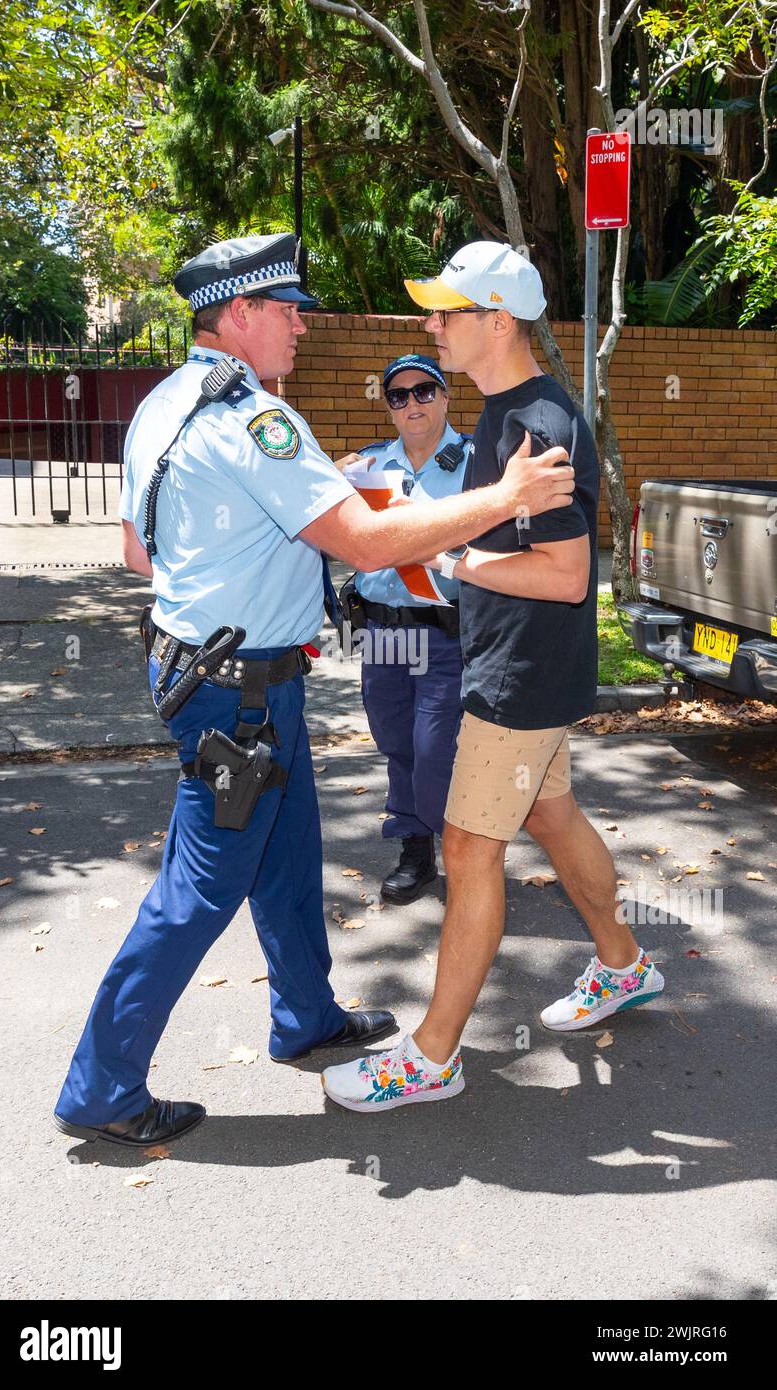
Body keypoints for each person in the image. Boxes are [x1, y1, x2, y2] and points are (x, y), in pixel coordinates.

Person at [53, 232, 576, 1148]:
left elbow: (140, 551)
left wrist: (252, 542)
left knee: (287, 862)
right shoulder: (260, 419)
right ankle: (102, 1083)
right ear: (242, 314)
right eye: (289, 310)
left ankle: (306, 1019)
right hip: (238, 693)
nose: (302, 325)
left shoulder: (162, 403)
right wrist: (505, 496)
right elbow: (369, 547)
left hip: (225, 675)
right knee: (198, 890)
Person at [321, 240, 665, 1114]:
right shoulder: (504, 415)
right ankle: (624, 965)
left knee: (468, 848)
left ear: (498, 319)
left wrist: (458, 559)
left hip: (517, 679)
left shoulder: (536, 429)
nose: (431, 325)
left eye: (447, 310)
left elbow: (567, 576)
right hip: (521, 670)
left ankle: (431, 1058)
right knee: (549, 814)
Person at [346, 353, 470, 904]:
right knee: (397, 742)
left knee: (436, 747)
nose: (412, 403)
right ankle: (416, 853)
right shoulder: (367, 467)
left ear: (445, 396)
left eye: (424, 391)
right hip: (384, 635)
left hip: (444, 634)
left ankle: (470, 855)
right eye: (398, 396)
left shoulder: (475, 463)